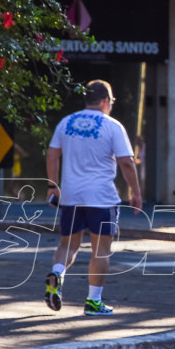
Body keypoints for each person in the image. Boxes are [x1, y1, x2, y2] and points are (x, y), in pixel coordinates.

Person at [44, 80, 142, 316]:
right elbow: (127, 162)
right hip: (102, 198)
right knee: (101, 250)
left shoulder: (66, 123)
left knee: (68, 245)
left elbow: (52, 154)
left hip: (71, 196)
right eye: (112, 102)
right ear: (105, 101)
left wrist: (52, 185)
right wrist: (136, 191)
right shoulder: (112, 126)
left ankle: (57, 273)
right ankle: (93, 301)